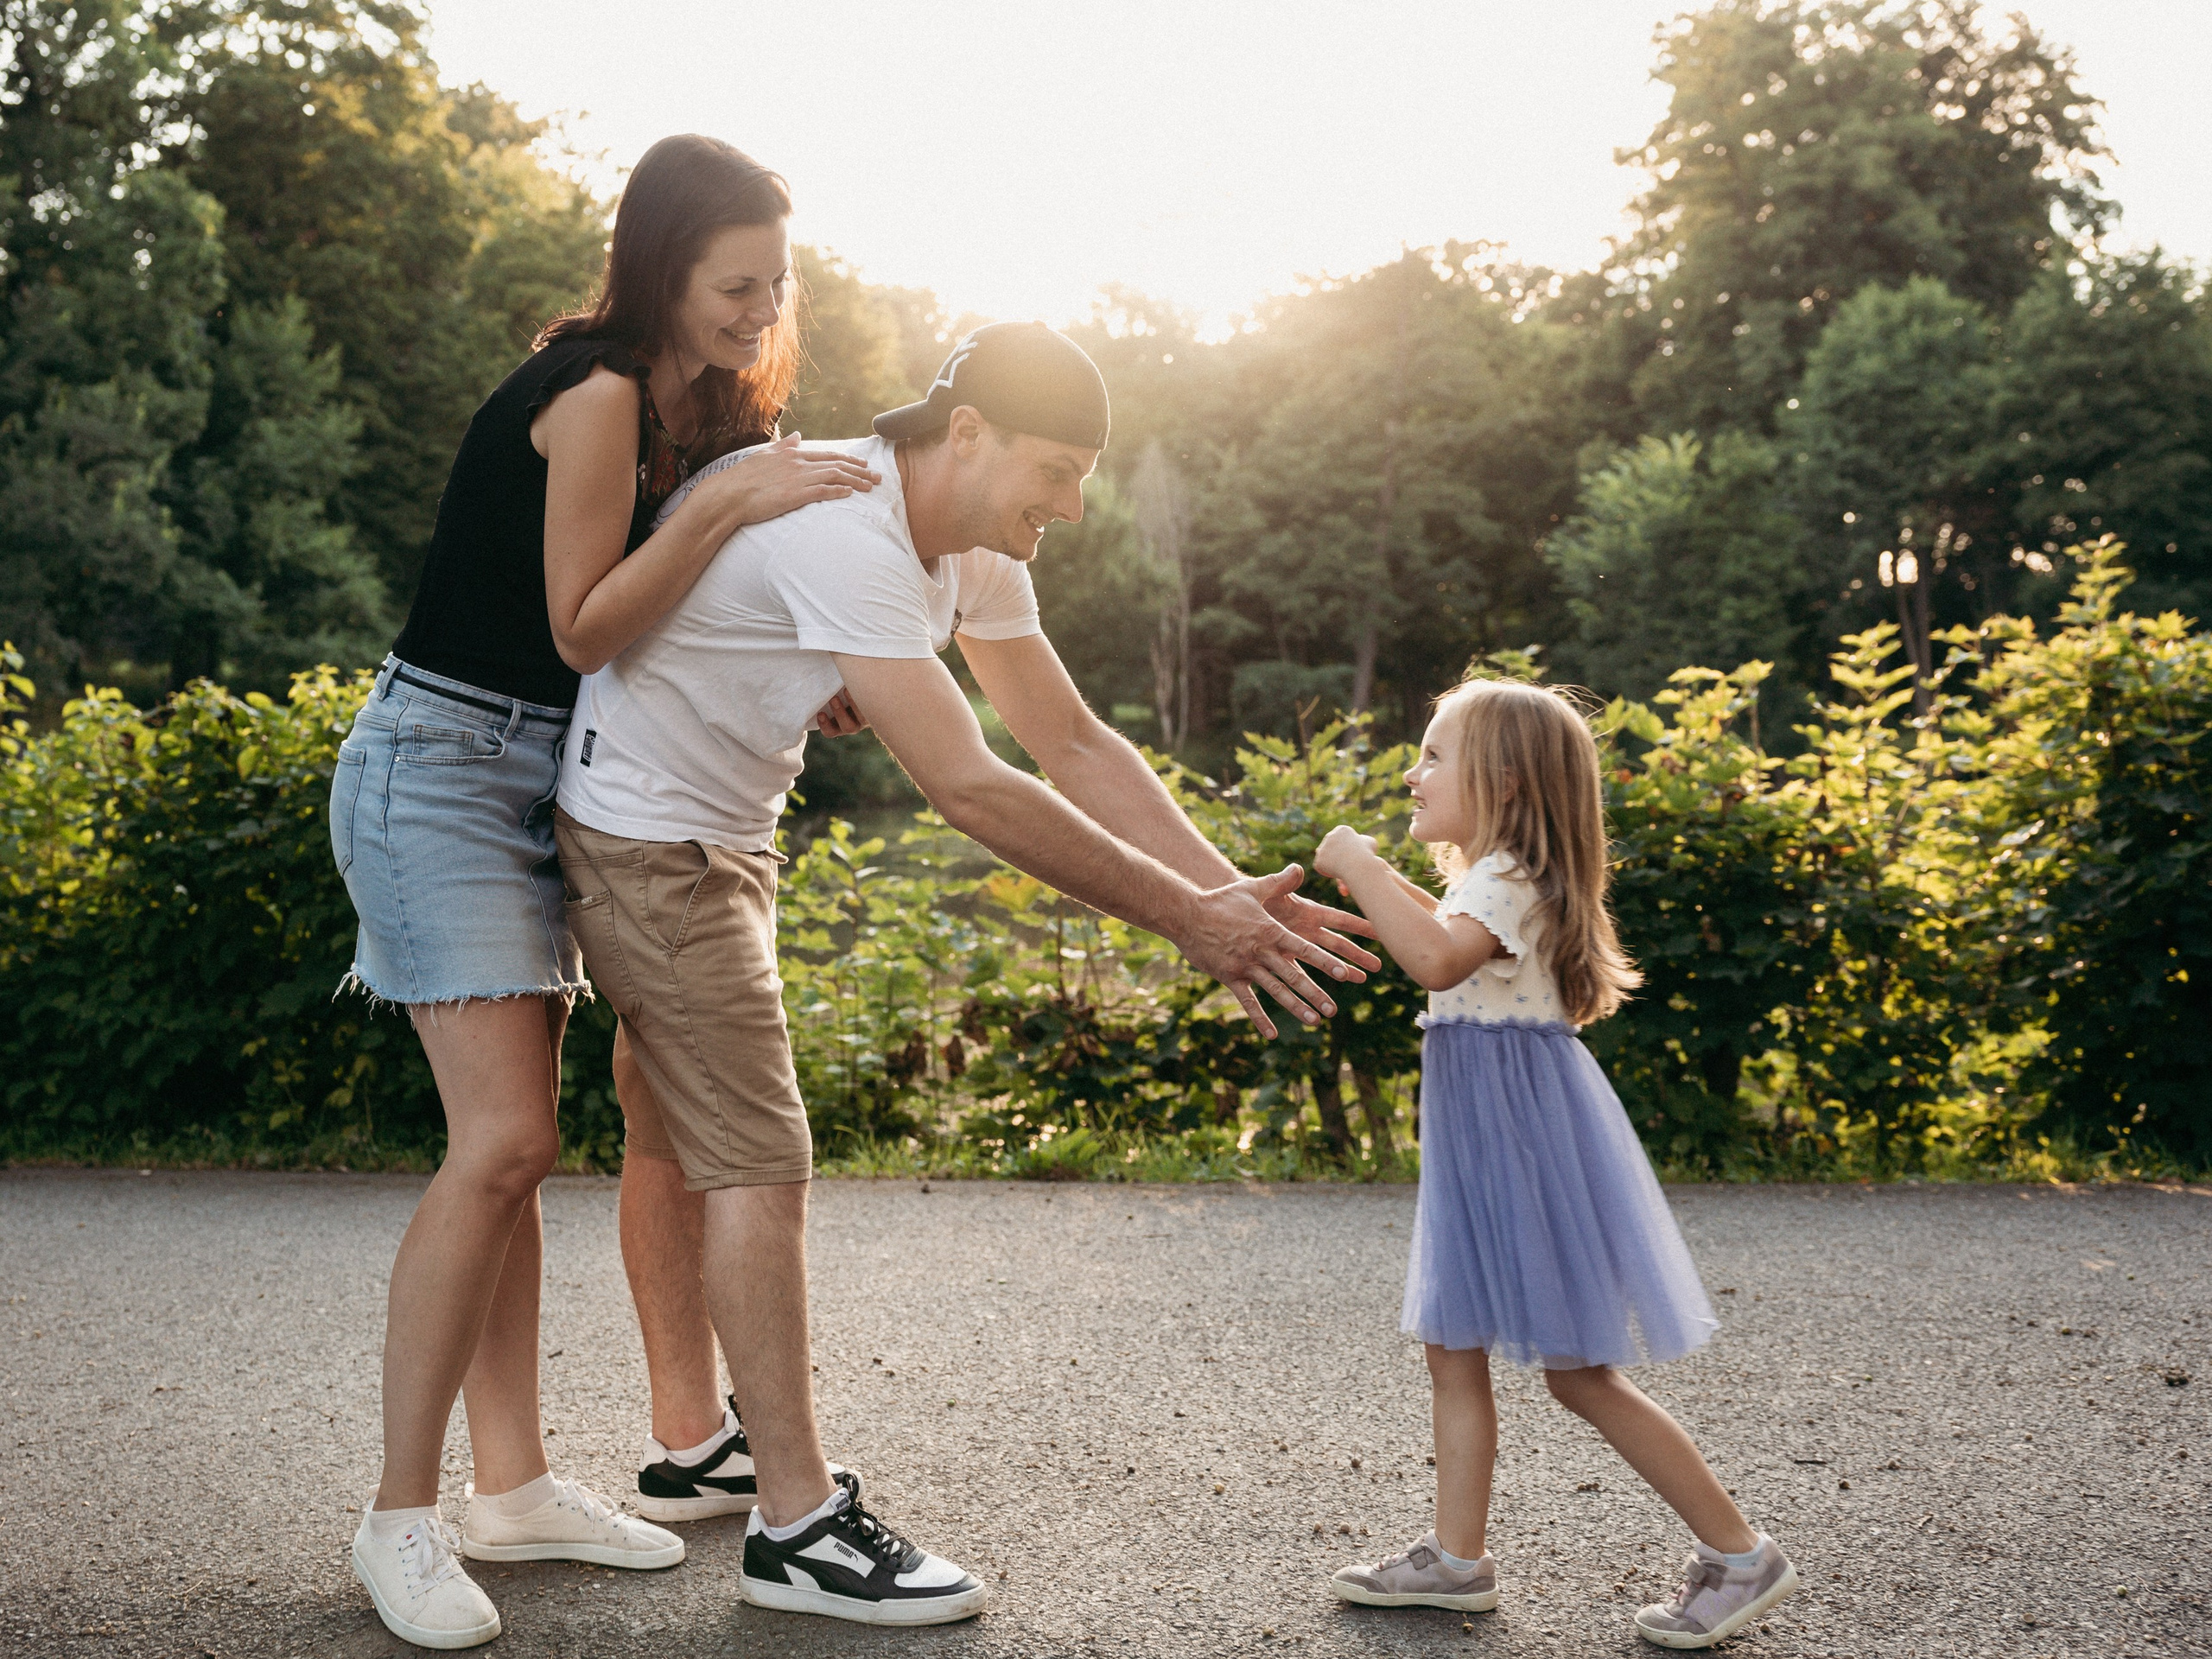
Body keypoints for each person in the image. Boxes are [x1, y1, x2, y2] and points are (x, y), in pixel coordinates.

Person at [552, 320, 1381, 1626]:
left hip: (715, 826)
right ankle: (799, 1527)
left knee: (672, 1134)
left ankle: (690, 1445)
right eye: (1054, 471)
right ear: (969, 433)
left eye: (1085, 480)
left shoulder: (970, 549)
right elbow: (968, 784)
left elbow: (1069, 736)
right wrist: (1188, 923)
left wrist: (1225, 895)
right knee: (759, 1159)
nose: (1069, 506)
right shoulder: (852, 523)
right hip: (654, 837)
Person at [328, 134, 877, 1650]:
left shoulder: (696, 402)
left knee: (518, 1147)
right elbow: (582, 627)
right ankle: (400, 1516)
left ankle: (509, 1488)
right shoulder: (601, 396)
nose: (764, 310)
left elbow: (658, 624)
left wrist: (801, 666)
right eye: (734, 284)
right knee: (502, 1145)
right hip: (441, 763)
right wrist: (723, 508)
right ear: (660, 271)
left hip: (543, 778)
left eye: (780, 281)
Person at [1311, 677, 1799, 1650]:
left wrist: (1361, 869)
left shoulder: (1504, 880)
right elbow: (1445, 935)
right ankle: (1456, 1561)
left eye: (1433, 756)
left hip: (1520, 1151)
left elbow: (1439, 961)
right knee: (1452, 1347)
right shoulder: (1494, 876)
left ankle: (1741, 1555)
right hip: (1491, 1144)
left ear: (1504, 778)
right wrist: (1388, 894)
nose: (1414, 774)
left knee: (1580, 1375)